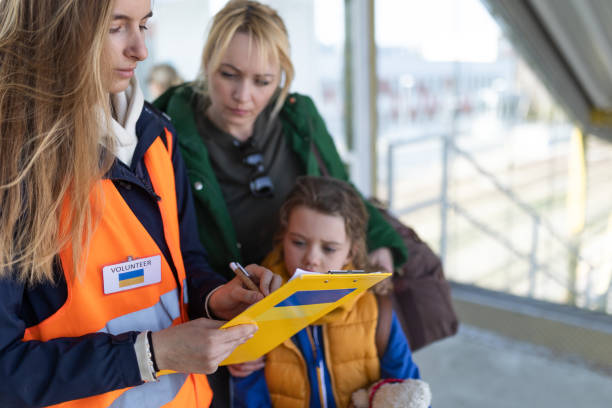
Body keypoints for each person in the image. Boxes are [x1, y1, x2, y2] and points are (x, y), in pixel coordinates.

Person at [0, 1, 280, 407]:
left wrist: (215, 297)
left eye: (144, 26)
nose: (140, 50)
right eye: (116, 28)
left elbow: (186, 264)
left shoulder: (158, 136)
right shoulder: (16, 165)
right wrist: (150, 355)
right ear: (55, 30)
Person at [153, 1, 409, 404]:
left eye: (263, 81)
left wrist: (378, 247)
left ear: (283, 77)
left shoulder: (298, 116)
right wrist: (222, 317)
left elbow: (341, 191)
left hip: (303, 307)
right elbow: (168, 240)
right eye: (228, 75)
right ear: (207, 62)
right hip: (222, 316)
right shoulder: (168, 120)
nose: (243, 96)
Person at [231, 176, 422, 408]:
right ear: (283, 238)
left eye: (329, 248)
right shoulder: (256, 306)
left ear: (351, 253)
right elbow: (250, 396)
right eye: (299, 242)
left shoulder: (375, 310)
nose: (312, 259)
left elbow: (407, 391)